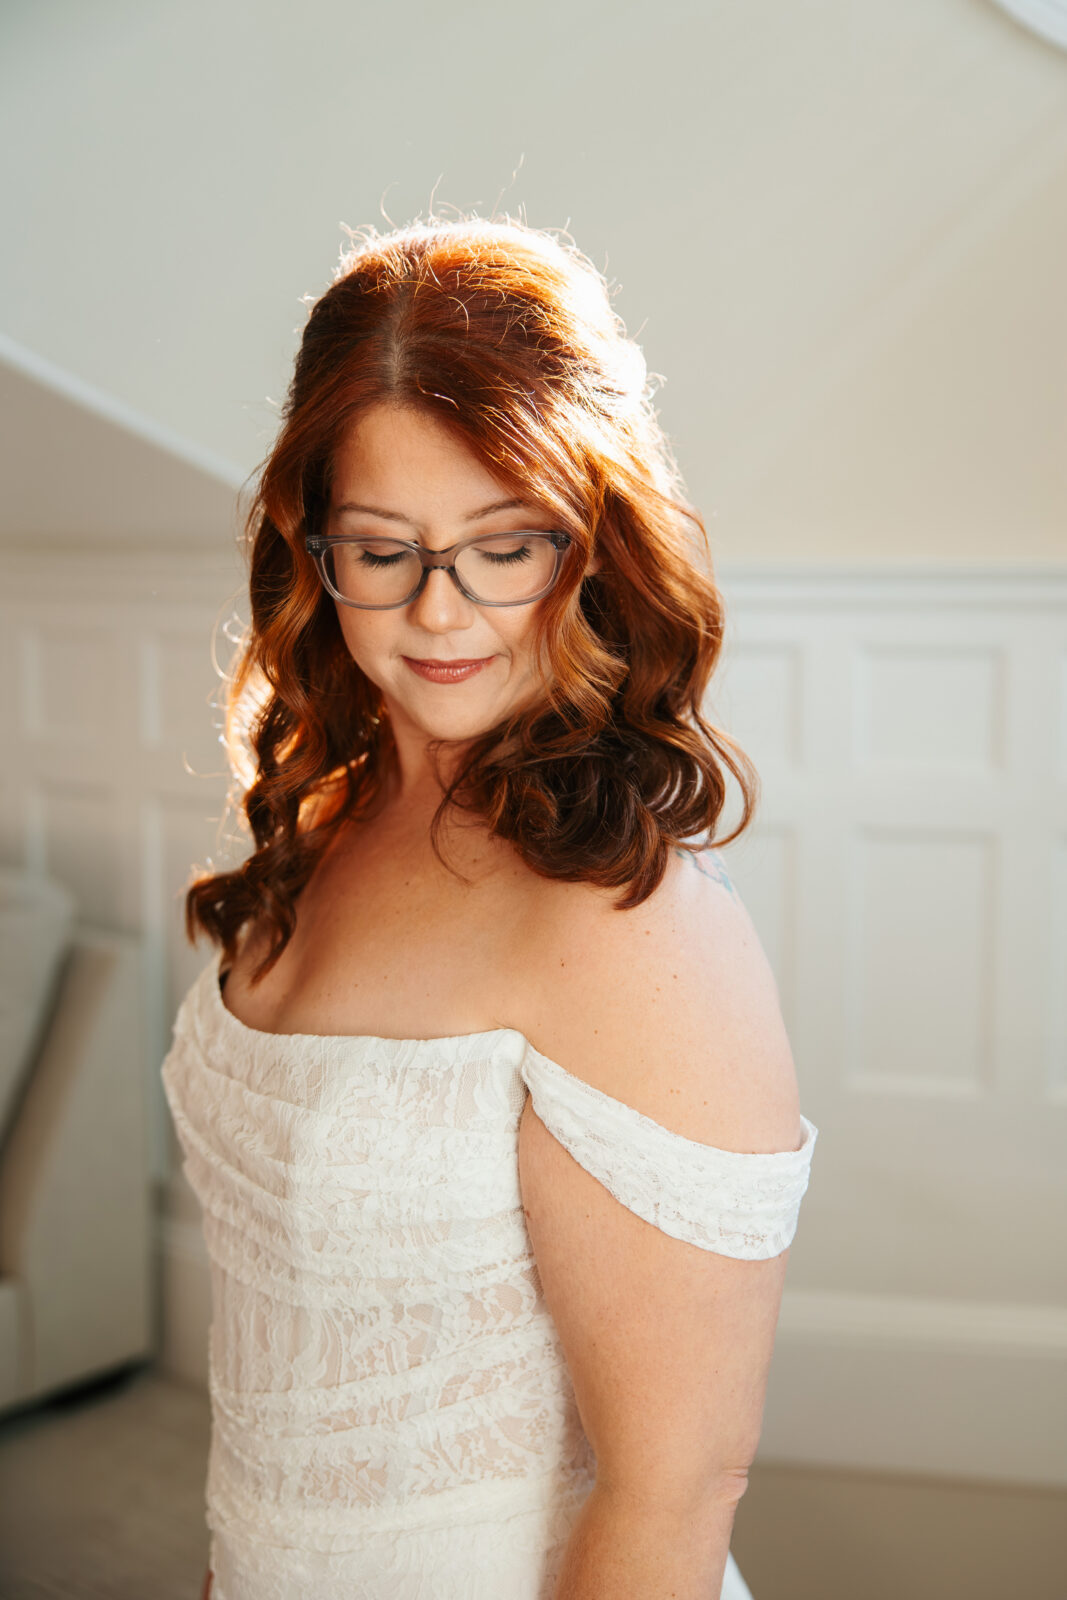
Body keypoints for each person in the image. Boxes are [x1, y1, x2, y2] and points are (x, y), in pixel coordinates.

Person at [162, 213, 819, 1600]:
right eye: (383, 549)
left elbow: (676, 1483)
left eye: (503, 547)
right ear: (313, 544)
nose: (441, 613)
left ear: (595, 539)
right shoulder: (324, 822)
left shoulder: (628, 926)